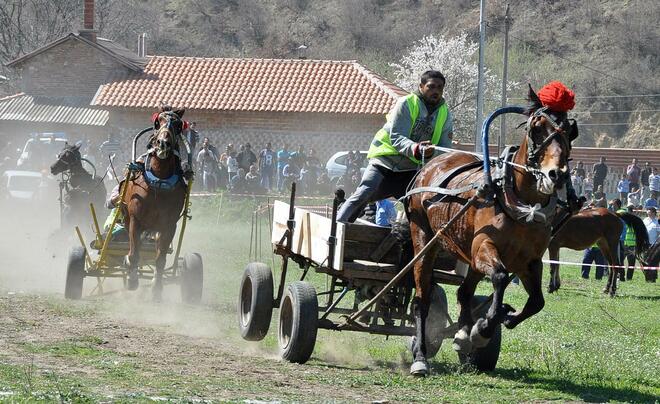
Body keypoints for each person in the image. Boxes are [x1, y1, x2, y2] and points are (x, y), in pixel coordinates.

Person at [337, 70, 454, 222]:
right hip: (385, 161)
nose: (436, 91)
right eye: (431, 87)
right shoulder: (407, 103)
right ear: (421, 86)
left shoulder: (445, 113)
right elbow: (397, 136)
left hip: (411, 169)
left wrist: (432, 153)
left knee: (420, 206)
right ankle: (336, 229)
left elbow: (444, 148)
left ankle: (411, 242)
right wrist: (417, 149)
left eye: (440, 88)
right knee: (364, 193)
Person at [642, 206, 658, 282]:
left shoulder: (657, 222)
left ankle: (653, 278)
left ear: (654, 213)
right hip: (645, 244)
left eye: (649, 211)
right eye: (647, 210)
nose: (648, 212)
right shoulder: (645, 220)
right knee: (645, 260)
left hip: (654, 244)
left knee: (654, 261)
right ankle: (647, 277)